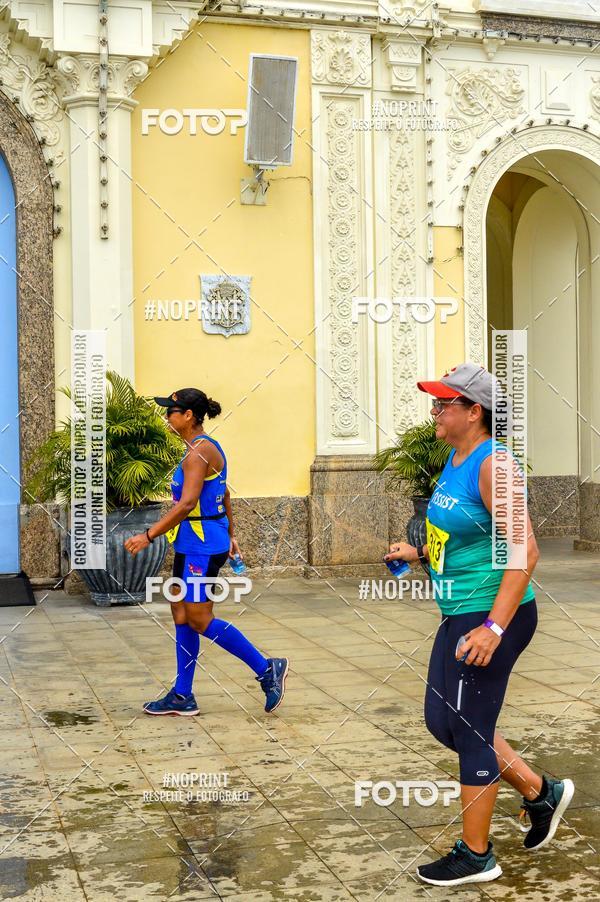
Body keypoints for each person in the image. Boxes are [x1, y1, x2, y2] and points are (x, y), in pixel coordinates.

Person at [386, 363, 573, 887]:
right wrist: (420, 552)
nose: (434, 411)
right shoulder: (457, 456)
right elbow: (471, 534)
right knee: (443, 723)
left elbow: (525, 550)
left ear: (475, 411)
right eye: (435, 402)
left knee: (469, 731)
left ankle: (476, 854)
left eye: (444, 403)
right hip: (458, 611)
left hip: (493, 616)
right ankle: (540, 792)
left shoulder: (496, 466)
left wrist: (493, 627)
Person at [124, 388, 289, 716]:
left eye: (171, 411)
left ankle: (266, 668)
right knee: (181, 613)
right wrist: (231, 533)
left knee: (199, 618)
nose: (166, 416)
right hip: (191, 544)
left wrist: (148, 535)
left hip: (201, 548)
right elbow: (224, 493)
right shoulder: (196, 450)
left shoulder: (199, 453)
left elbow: (187, 504)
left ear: (188, 416)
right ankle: (182, 695)